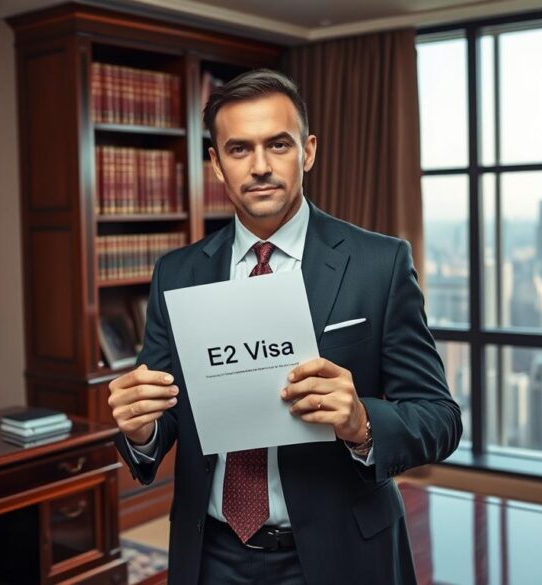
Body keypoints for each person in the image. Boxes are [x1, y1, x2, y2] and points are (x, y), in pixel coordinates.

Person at [108, 69, 462, 585]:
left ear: (308, 151)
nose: (259, 167)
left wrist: (361, 423)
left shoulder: (379, 264)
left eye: (277, 145)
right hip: (210, 555)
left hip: (340, 556)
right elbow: (165, 422)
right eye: (238, 149)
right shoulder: (177, 274)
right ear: (215, 164)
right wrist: (141, 430)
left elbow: (439, 418)